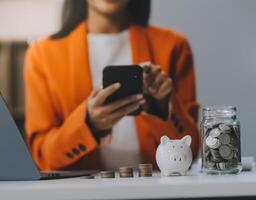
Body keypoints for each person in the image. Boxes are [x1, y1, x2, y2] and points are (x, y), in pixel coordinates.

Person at [24, 0, 200, 171]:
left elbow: (190, 150)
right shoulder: (42, 55)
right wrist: (89, 125)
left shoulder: (173, 46)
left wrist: (163, 106)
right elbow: (43, 158)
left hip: (158, 189)